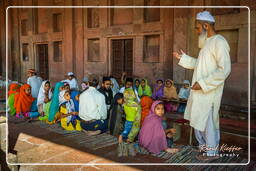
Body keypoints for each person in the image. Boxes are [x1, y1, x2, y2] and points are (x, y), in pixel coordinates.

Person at [173, 11, 231, 161]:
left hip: (208, 92)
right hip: (199, 92)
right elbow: (200, 66)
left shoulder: (219, 42)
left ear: (206, 25)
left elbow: (224, 69)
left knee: (208, 123)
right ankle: (204, 150)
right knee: (198, 121)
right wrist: (184, 58)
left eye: (198, 28)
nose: (197, 31)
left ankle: (211, 153)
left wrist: (204, 84)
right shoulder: (207, 44)